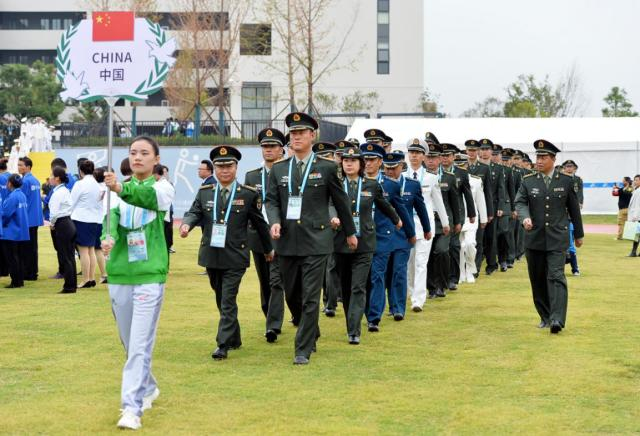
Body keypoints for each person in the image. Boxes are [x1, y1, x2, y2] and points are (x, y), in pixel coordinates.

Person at [265, 112, 357, 365]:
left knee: (310, 296)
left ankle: (302, 349)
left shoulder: (327, 168)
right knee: (292, 294)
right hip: (287, 241)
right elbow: (271, 200)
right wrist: (274, 220)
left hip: (317, 241)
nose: (295, 137)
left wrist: (350, 232)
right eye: (292, 133)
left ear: (312, 136)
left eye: (300, 133)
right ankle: (310, 327)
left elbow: (341, 202)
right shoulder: (280, 169)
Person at [101, 135, 174, 430]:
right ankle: (148, 387)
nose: (138, 157)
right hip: (120, 273)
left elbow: (144, 198)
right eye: (133, 152)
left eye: (144, 153)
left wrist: (119, 187)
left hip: (149, 275)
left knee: (140, 343)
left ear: (156, 159)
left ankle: (131, 408)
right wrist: (108, 238)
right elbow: (110, 222)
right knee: (129, 342)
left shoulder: (162, 188)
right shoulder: (115, 193)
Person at [181, 145, 273, 360]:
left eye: (229, 166)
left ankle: (222, 344)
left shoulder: (248, 194)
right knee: (221, 297)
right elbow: (194, 211)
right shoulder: (205, 192)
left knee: (228, 300)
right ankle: (235, 336)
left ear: (236, 167)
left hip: (236, 256)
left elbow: (260, 224)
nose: (224, 170)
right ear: (214, 169)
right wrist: (187, 225)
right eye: (220, 166)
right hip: (211, 255)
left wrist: (269, 249)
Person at [515, 139, 584, 334]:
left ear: (553, 159)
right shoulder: (528, 180)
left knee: (556, 276)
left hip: (557, 238)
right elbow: (520, 203)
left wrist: (578, 234)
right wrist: (525, 218)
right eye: (538, 156)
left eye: (544, 157)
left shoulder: (566, 181)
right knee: (537, 279)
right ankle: (545, 316)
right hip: (534, 238)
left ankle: (557, 319)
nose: (539, 160)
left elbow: (573, 210)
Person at [333, 146, 400, 344]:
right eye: (345, 160)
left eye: (353, 161)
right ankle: (351, 322)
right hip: (340, 242)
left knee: (358, 286)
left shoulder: (371, 185)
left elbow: (383, 204)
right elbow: (328, 205)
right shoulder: (335, 185)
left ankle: (354, 331)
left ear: (361, 164)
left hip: (365, 243)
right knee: (345, 287)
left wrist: (396, 220)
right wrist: (333, 218)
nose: (349, 164)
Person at [361, 143, 413, 332]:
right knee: (364, 279)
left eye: (372, 159)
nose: (368, 163)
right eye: (365, 159)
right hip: (360, 237)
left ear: (380, 162)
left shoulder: (390, 185)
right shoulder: (355, 182)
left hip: (383, 237)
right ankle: (366, 312)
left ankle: (374, 317)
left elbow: (401, 211)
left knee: (377, 276)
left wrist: (410, 233)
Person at [244, 128, 286, 342]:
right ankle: (270, 314)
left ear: (281, 149)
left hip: (282, 234)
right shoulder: (252, 176)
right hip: (258, 236)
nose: (268, 150)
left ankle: (273, 325)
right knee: (265, 281)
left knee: (277, 280)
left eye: (272, 146)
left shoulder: (288, 172)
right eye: (265, 146)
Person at [383, 151, 430, 320]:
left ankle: (399, 308)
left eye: (393, 168)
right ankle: (391, 304)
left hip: (403, 234)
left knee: (400, 271)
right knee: (387, 272)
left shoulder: (412, 185)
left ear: (401, 167)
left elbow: (421, 208)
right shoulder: (379, 184)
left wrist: (426, 228)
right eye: (387, 168)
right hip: (383, 234)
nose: (389, 172)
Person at [404, 138, 447, 311]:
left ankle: (418, 300)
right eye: (412, 153)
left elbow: (438, 202)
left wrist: (445, 223)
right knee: (409, 262)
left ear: (423, 156)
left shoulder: (431, 178)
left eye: (418, 153)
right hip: (407, 225)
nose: (414, 156)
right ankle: (410, 292)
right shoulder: (402, 176)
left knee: (422, 262)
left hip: (425, 226)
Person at [424, 142, 462, 298]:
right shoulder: (421, 177)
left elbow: (455, 202)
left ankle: (442, 284)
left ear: (440, 158)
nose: (431, 161)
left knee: (441, 251)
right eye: (428, 157)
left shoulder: (449, 177)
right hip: (427, 222)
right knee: (429, 255)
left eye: (434, 157)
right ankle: (432, 288)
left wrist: (458, 222)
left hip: (445, 222)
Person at [440, 143, 476, 289]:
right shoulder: (436, 172)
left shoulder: (461, 173)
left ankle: (453, 278)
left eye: (448, 155)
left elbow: (467, 194)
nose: (444, 158)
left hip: (457, 215)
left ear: (454, 157)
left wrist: (472, 214)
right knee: (444, 248)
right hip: (440, 215)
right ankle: (443, 276)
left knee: (454, 245)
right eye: (442, 155)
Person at [455, 153, 488, 283]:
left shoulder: (475, 180)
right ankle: (461, 273)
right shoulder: (452, 178)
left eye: (462, 164)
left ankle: (470, 268)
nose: (460, 167)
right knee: (459, 247)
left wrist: (484, 218)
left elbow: (480, 200)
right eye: (458, 164)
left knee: (470, 244)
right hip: (457, 216)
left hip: (471, 216)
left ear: (467, 164)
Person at [71, 159, 103, 289]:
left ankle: (85, 279)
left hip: (82, 219)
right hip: (95, 219)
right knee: (91, 250)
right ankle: (90, 278)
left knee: (83, 251)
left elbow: (71, 202)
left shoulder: (80, 184)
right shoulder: (97, 185)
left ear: (80, 171)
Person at [465, 139, 494, 277]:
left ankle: (475, 268)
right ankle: (465, 266)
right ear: (466, 151)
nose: (471, 153)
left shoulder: (484, 168)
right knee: (465, 242)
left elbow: (487, 192)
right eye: (469, 150)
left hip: (478, 209)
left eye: (474, 150)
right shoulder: (461, 167)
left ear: (477, 152)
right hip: (463, 210)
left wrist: (489, 212)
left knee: (478, 240)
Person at [49, 166, 77, 293]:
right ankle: (72, 284)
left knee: (65, 256)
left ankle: (69, 286)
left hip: (62, 224)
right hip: (69, 222)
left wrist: (52, 224)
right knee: (70, 256)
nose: (49, 178)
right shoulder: (65, 190)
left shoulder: (57, 193)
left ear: (57, 178)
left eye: (51, 176)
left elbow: (54, 213)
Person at [1, 174, 30, 288]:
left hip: (11, 232)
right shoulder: (22, 195)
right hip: (20, 231)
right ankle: (19, 280)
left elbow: (6, 214)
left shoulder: (12, 197)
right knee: (19, 257)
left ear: (10, 184)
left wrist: (2, 224)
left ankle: (16, 281)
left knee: (12, 258)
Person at [17, 157, 43, 281]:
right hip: (35, 218)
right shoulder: (36, 180)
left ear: (28, 167)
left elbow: (22, 200)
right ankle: (33, 271)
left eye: (21, 165)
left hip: (27, 219)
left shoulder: (24, 182)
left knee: (26, 247)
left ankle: (29, 272)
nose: (19, 167)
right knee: (33, 246)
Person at [93, 167, 108, 284]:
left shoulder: (96, 188)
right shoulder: (108, 187)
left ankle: (104, 274)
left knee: (98, 249)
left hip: (98, 220)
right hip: (108, 219)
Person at [626, 175, 640, 257]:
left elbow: (638, 205)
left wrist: (635, 216)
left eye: (637, 180)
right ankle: (634, 252)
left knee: (636, 234)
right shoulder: (636, 190)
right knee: (638, 235)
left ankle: (633, 252)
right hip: (637, 215)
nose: (635, 182)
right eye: (634, 180)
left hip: (637, 216)